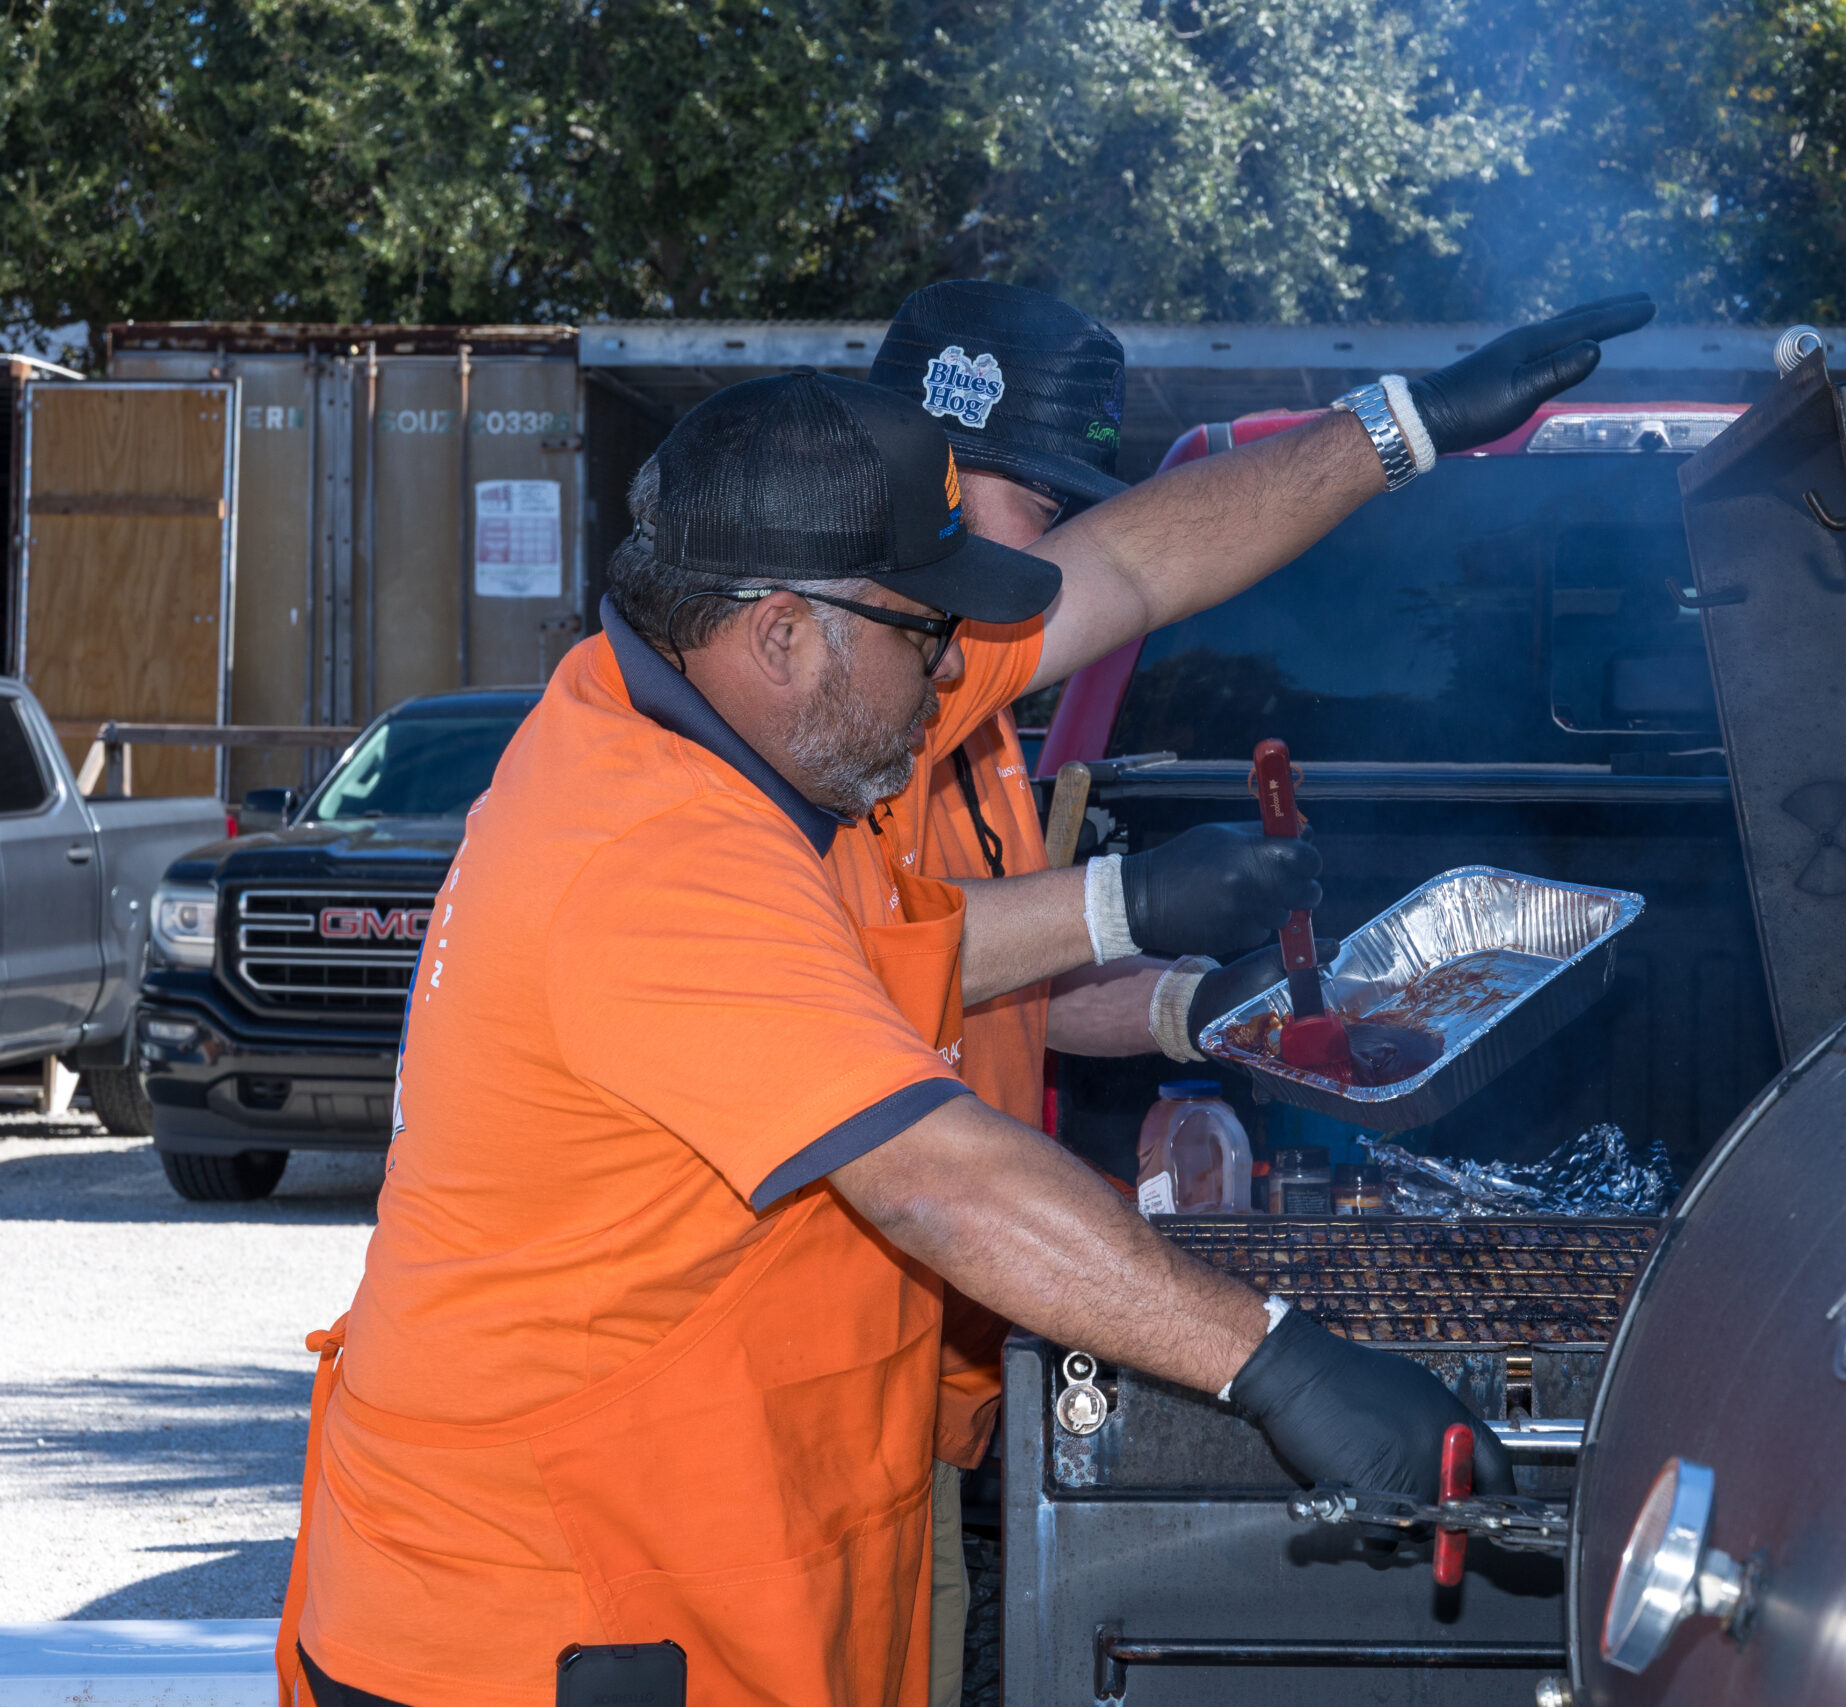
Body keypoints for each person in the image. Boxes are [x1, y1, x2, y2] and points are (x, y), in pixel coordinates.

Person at [276, 294, 1653, 1707]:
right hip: (550, 1618)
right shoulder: (652, 854)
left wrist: (1400, 428)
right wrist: (1282, 1365)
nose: (960, 670)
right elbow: (943, 1181)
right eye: (928, 633)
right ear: (781, 636)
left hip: (732, 1538)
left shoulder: (743, 689)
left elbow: (1117, 566)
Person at [865, 280, 1326, 1707]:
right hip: (770, 1434)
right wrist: (1270, 1361)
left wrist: (1201, 1007)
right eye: (1035, 501)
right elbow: (869, 979)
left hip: (914, 1395)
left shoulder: (974, 717)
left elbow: (998, 984)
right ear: (921, 477)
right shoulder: (814, 728)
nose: (1065, 546)